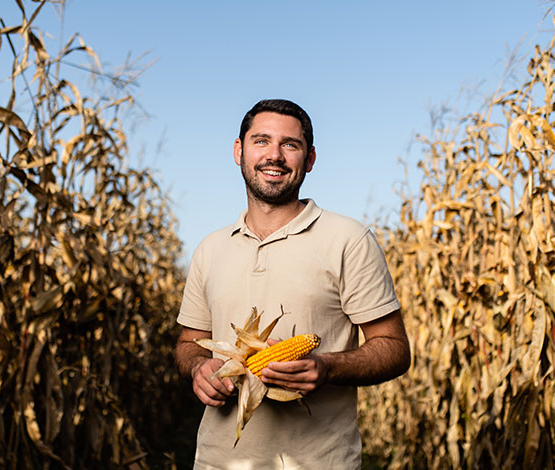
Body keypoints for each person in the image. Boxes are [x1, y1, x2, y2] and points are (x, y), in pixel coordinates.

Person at [175, 99, 410, 470]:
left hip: (320, 462)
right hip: (217, 461)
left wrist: (327, 367)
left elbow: (394, 349)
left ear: (310, 158)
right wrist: (197, 369)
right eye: (261, 141)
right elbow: (190, 344)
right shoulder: (210, 249)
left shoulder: (348, 239)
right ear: (239, 151)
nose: (274, 156)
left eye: (290, 145)